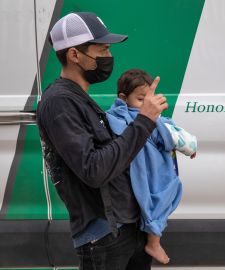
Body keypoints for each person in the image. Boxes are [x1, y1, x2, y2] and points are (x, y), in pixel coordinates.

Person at [37, 12, 168, 270]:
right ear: (74, 55)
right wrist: (144, 121)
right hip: (104, 236)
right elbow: (94, 170)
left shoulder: (81, 98)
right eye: (103, 49)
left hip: (127, 228)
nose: (108, 58)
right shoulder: (59, 103)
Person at [106, 68, 197, 264]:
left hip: (153, 170)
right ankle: (153, 243)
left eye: (149, 99)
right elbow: (181, 140)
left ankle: (154, 242)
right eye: (140, 100)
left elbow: (174, 134)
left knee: (161, 197)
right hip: (147, 174)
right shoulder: (121, 117)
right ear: (123, 97)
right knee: (157, 199)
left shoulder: (156, 119)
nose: (146, 105)